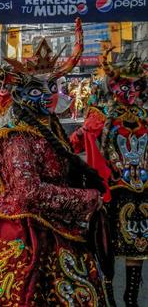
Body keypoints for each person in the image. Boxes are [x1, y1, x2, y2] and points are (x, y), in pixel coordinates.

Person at [0, 18, 110, 306]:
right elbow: (28, 192)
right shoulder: (17, 135)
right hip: (25, 230)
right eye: (36, 90)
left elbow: (57, 155)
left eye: (51, 87)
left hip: (56, 225)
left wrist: (84, 133)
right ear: (19, 94)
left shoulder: (46, 123)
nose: (46, 96)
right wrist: (87, 198)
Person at [70, 50, 147, 306]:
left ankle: (132, 298)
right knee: (107, 249)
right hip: (110, 193)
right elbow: (76, 143)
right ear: (113, 86)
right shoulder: (101, 115)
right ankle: (108, 298)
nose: (131, 90)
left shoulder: (145, 115)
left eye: (136, 85)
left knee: (137, 248)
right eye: (125, 84)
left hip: (141, 192)